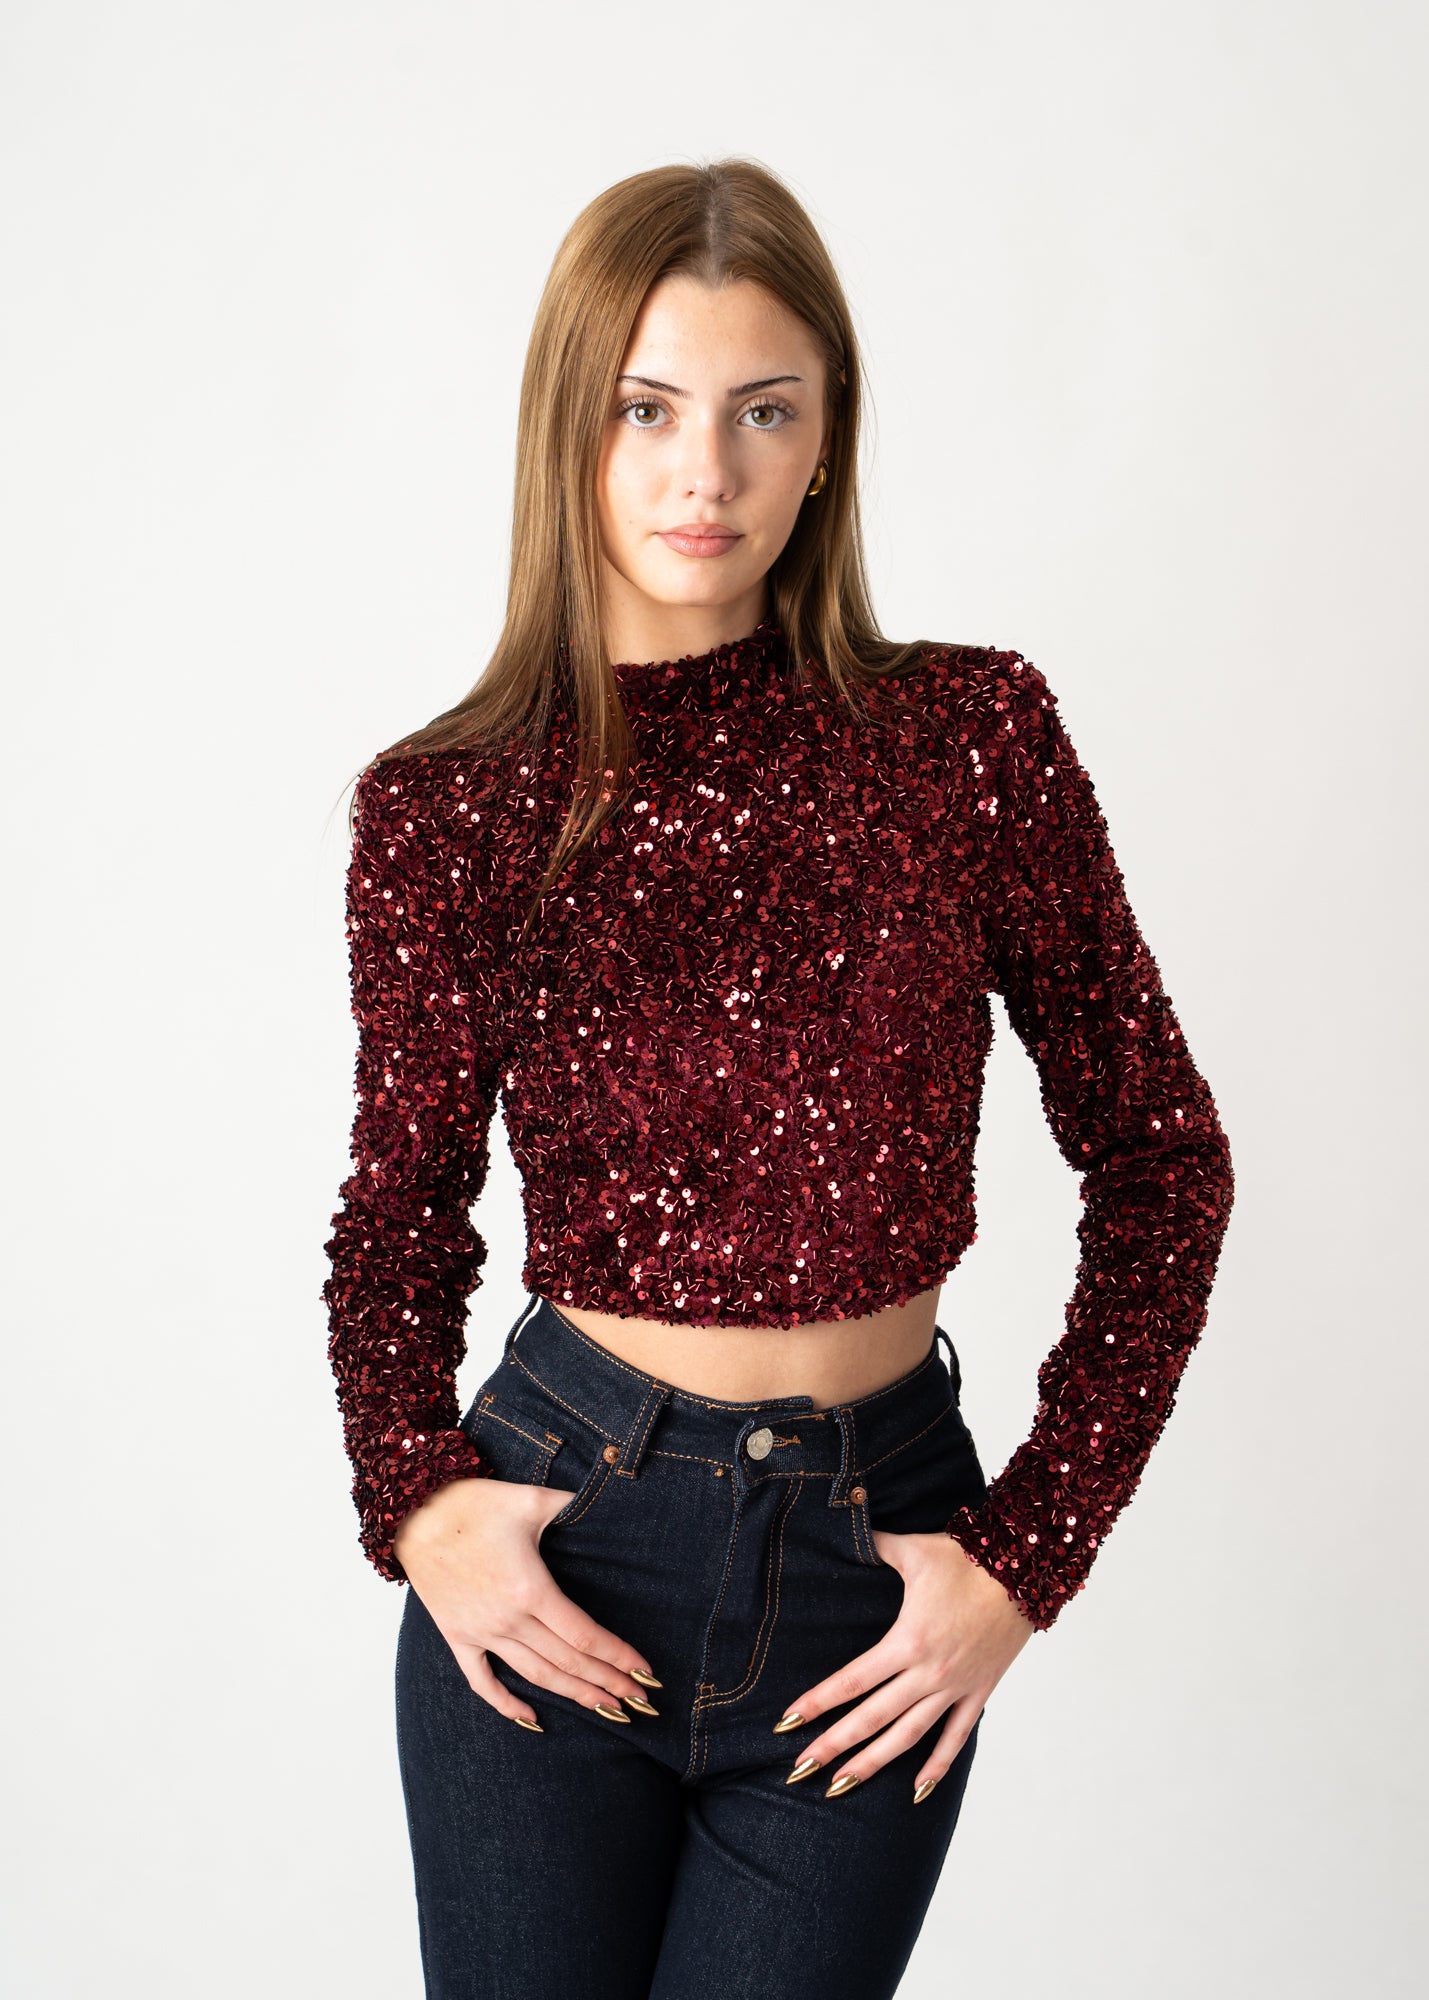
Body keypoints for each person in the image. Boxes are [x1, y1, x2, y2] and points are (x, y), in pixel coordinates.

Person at [322, 157, 1235, 2000]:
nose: (704, 475)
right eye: (645, 410)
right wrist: (417, 1499)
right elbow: (397, 1219)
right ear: (568, 430)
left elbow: (1162, 1162)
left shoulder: (967, 740)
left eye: (763, 411)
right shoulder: (450, 806)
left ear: (826, 442)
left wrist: (1027, 1556)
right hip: (565, 1540)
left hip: (869, 1567)